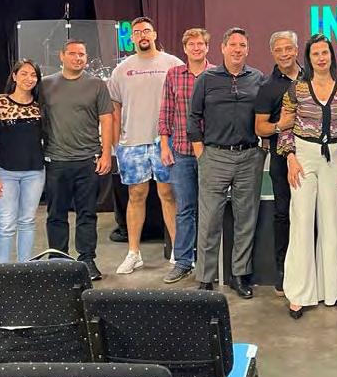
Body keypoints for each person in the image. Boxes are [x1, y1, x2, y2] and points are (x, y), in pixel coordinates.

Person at [279, 34, 337, 319]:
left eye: (325, 52)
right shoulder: (296, 89)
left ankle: (330, 290)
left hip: (335, 158)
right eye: (315, 54)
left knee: (331, 222)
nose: (321, 58)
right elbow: (285, 127)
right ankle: (299, 294)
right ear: (309, 58)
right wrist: (290, 158)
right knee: (301, 222)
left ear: (331, 56)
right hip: (303, 156)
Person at [189, 27, 265, 297]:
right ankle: (205, 278)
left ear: (247, 49)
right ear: (222, 48)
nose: (237, 49)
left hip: (249, 157)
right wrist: (201, 152)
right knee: (209, 220)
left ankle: (240, 276)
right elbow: (193, 117)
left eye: (242, 45)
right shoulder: (207, 79)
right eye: (232, 44)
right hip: (214, 156)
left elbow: (266, 115)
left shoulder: (257, 78)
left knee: (246, 220)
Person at [110, 16, 185, 276]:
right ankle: (134, 253)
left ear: (154, 34)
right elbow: (115, 108)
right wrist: (116, 143)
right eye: (138, 32)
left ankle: (178, 252)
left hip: (165, 141)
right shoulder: (122, 69)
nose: (142, 35)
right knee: (136, 195)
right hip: (132, 142)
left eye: (147, 30)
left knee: (168, 194)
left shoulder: (173, 64)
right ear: (132, 38)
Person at [39, 39, 113, 280]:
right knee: (56, 214)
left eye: (82, 54)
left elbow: (107, 120)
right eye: (72, 53)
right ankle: (58, 261)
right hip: (56, 161)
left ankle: (87, 260)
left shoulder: (97, 85)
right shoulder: (45, 85)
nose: (78, 58)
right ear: (62, 56)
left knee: (87, 214)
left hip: (87, 160)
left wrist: (106, 153)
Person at [157, 27, 215, 284]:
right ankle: (182, 261)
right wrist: (164, 145)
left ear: (207, 47)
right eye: (191, 44)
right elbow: (166, 112)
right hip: (181, 152)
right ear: (185, 49)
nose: (196, 48)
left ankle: (206, 262)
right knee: (185, 208)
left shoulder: (216, 75)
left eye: (200, 44)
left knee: (208, 209)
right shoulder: (173, 75)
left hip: (211, 153)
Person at [254, 31, 300, 295]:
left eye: (288, 48)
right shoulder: (267, 87)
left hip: (312, 159)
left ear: (296, 50)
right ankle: (283, 271)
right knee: (283, 215)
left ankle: (310, 271)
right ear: (272, 53)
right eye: (279, 50)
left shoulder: (312, 78)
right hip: (281, 161)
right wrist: (280, 125)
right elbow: (260, 128)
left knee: (311, 215)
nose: (284, 54)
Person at [0, 59, 46, 263]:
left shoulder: (40, 105)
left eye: (33, 75)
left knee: (27, 221)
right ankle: (1, 270)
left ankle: (24, 268)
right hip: (4, 170)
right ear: (14, 76)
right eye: (24, 74)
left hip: (34, 171)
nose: (29, 79)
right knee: (5, 223)